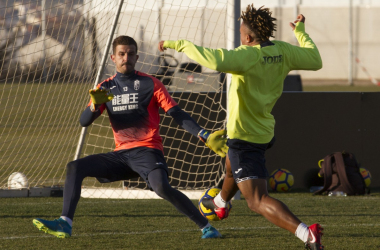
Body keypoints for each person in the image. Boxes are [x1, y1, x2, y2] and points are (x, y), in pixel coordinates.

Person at [158, 4, 323, 250]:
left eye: (240, 34)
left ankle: (305, 234)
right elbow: (315, 60)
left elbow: (212, 58)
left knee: (256, 200)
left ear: (247, 38)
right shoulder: (284, 50)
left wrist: (178, 44)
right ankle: (221, 204)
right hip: (263, 130)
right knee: (230, 166)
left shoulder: (247, 55)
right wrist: (300, 32)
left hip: (245, 136)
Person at [33, 35, 228, 239]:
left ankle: (207, 227)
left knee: (162, 188)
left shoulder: (151, 84)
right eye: (121, 54)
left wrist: (202, 133)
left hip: (147, 151)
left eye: (131, 54)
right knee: (75, 167)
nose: (126, 57)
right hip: (121, 156)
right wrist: (94, 106)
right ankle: (65, 223)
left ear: (137, 57)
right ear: (113, 58)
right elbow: (83, 121)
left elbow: (176, 113)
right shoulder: (104, 88)